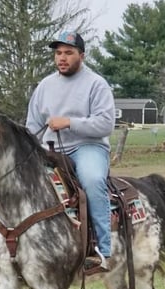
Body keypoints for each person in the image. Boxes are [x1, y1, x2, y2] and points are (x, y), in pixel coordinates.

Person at [26, 30, 116, 273]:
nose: (62, 58)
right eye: (58, 53)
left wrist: (70, 122)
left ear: (82, 55)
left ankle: (102, 251)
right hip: (49, 149)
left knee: (92, 180)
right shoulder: (45, 86)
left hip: (88, 147)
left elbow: (106, 124)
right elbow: (32, 126)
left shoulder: (96, 84)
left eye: (68, 52)